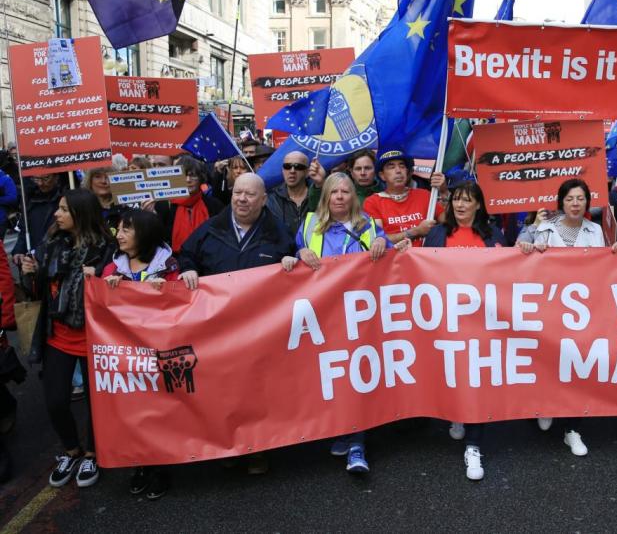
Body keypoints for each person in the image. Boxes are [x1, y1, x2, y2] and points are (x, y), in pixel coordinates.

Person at [178, 173, 298, 475]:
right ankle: (227, 445)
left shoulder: (278, 233)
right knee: (222, 391)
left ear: (262, 200)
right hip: (217, 329)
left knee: (257, 391)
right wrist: (188, 270)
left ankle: (258, 449)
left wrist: (291, 262)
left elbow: (293, 262)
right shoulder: (210, 229)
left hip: (259, 331)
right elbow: (186, 255)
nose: (242, 199)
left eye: (249, 195)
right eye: (237, 193)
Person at [294, 173, 409, 475]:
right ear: (326, 197)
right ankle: (343, 429)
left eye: (346, 191)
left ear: (353, 197)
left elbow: (386, 247)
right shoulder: (308, 225)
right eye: (335, 192)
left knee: (358, 374)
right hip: (324, 314)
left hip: (359, 314)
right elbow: (294, 259)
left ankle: (357, 444)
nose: (341, 197)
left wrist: (384, 241)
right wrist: (299, 253)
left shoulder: (368, 225)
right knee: (335, 374)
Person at [21, 189, 113, 488]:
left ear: (80, 214)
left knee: (96, 404)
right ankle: (71, 450)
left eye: (63, 210)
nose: (57, 214)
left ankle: (91, 453)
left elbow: (117, 288)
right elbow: (39, 290)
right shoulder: (50, 244)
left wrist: (99, 278)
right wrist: (31, 273)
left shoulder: (107, 249)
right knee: (56, 401)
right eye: (58, 209)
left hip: (93, 336)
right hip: (57, 335)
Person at [518, 179, 608, 456]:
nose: (575, 203)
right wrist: (527, 242)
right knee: (547, 361)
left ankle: (572, 428)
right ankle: (545, 405)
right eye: (570, 199)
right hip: (548, 308)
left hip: (583, 310)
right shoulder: (542, 229)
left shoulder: (596, 231)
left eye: (580, 198)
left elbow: (604, 267)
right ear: (561, 202)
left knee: (577, 367)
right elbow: (517, 254)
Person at [424, 181, 505, 480]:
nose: (460, 205)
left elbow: (506, 273)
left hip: (481, 321)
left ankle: (473, 445)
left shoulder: (493, 235)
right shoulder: (438, 233)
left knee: (475, 378)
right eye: (456, 199)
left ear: (479, 205)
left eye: (467, 200)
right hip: (447, 319)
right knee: (453, 373)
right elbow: (420, 271)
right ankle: (458, 414)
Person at [102, 209, 179, 499]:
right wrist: (107, 288)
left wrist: (166, 289)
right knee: (133, 411)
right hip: (126, 353)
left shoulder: (168, 265)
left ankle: (161, 467)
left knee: (159, 411)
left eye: (126, 229)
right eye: (118, 229)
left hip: (158, 349)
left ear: (144, 234)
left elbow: (181, 302)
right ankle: (140, 462)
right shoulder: (112, 268)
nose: (118, 235)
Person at [363, 149, 447, 247]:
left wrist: (444, 192)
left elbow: (448, 223)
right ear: (382, 176)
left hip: (425, 259)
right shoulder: (372, 202)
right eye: (391, 167)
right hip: (393, 260)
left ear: (407, 172)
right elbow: (377, 240)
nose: (398, 171)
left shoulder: (424, 195)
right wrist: (416, 231)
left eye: (402, 166)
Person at [152, 157, 224, 254]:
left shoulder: (214, 205)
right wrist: (151, 215)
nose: (188, 180)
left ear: (201, 178)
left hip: (206, 260)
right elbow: (156, 237)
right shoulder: (164, 205)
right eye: (183, 176)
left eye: (193, 175)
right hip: (173, 260)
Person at [13, 174, 64, 267]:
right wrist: (19, 250)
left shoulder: (65, 199)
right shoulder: (29, 200)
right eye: (36, 178)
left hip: (58, 259)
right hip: (34, 260)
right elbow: (25, 229)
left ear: (56, 177)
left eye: (46, 178)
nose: (40, 183)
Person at [307, 149, 378, 211]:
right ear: (351, 172)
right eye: (358, 169)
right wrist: (319, 184)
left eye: (368, 168)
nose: (363, 173)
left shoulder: (386, 192)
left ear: (375, 170)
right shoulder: (340, 194)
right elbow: (318, 210)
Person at [266, 150, 312, 236]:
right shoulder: (271, 199)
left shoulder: (318, 196)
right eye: (287, 166)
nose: (292, 171)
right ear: (282, 170)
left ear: (307, 172)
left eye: (298, 167)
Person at [81, 167, 126, 233]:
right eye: (98, 176)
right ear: (89, 181)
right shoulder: (81, 208)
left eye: (108, 177)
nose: (103, 181)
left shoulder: (124, 208)